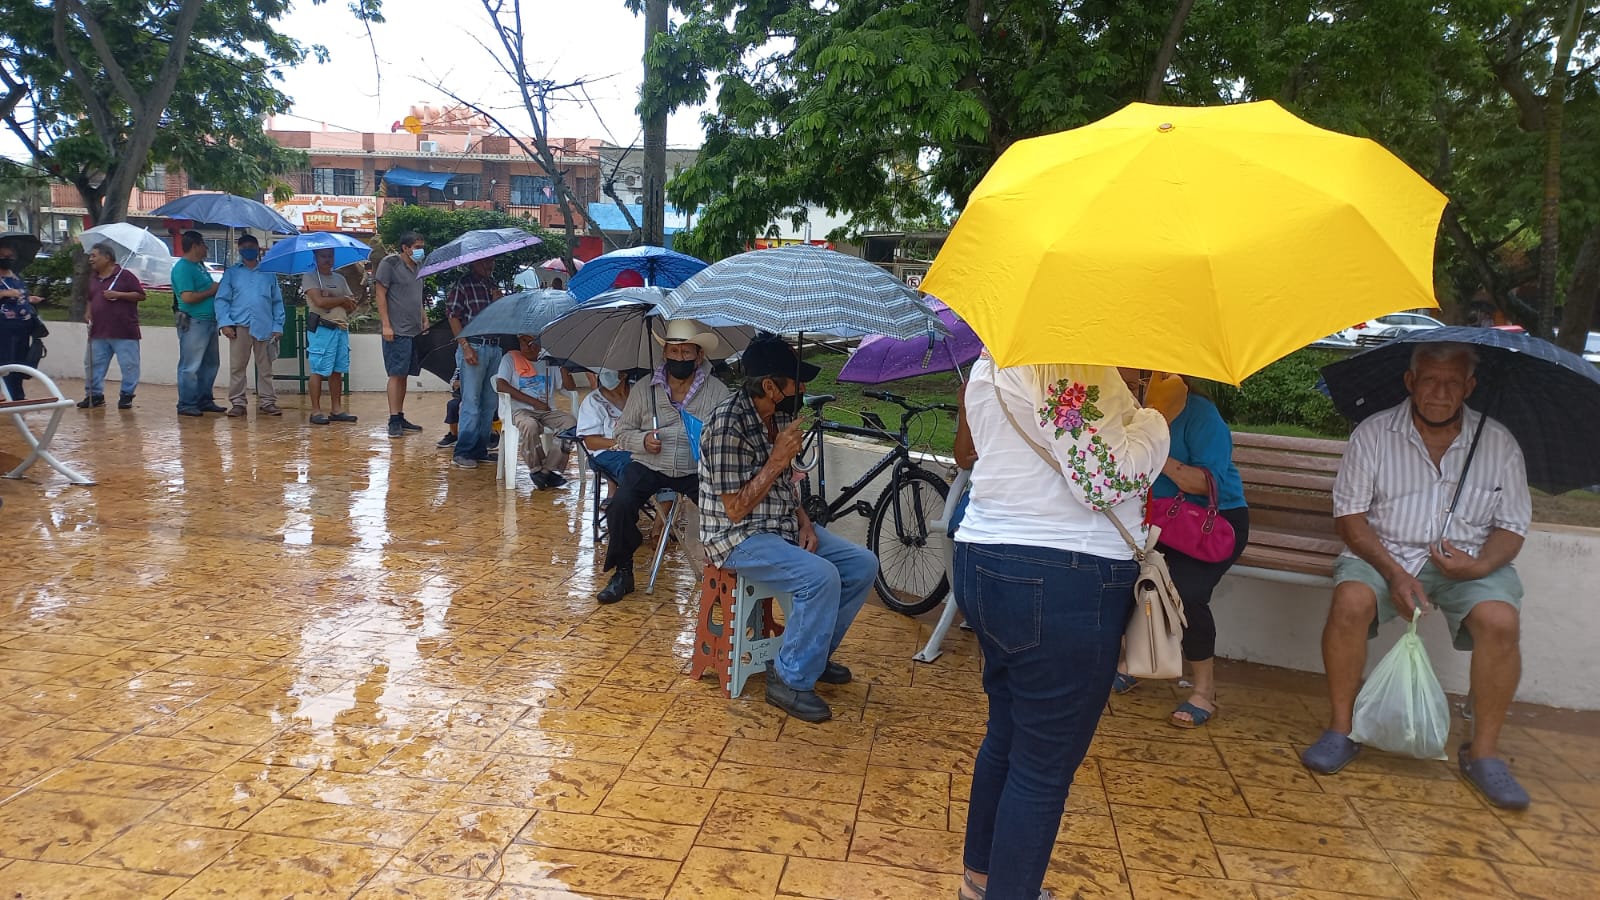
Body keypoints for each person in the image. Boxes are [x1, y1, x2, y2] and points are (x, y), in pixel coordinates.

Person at [954, 354, 1182, 900]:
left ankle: (981, 882)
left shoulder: (995, 358)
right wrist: (1158, 414)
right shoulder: (1069, 360)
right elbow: (1101, 479)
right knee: (1043, 766)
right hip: (1063, 577)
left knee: (1007, 736)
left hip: (986, 561)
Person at [1301, 342, 1533, 810]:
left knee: (1501, 622)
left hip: (1467, 563)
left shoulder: (1499, 442)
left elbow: (1512, 528)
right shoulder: (1373, 434)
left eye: (1452, 382)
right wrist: (1393, 572)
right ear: (1410, 382)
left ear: (1470, 387)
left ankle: (1484, 754)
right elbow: (1350, 518)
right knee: (1350, 602)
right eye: (1429, 379)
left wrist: (1480, 566)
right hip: (1382, 553)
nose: (1440, 392)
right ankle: (1341, 729)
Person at [699, 334, 879, 723]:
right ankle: (789, 678)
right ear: (770, 386)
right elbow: (734, 510)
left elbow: (784, 488)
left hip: (780, 525)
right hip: (736, 538)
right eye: (797, 382)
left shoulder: (777, 416)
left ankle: (811, 656)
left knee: (861, 564)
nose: (804, 389)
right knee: (821, 577)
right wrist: (777, 460)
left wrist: (804, 521)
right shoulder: (727, 426)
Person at [1109, 370, 1251, 728]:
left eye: (1136, 373)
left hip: (1208, 525)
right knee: (1116, 575)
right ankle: (1134, 664)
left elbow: (1203, 483)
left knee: (1185, 592)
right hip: (1154, 522)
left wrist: (1153, 445)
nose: (1125, 376)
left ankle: (1204, 689)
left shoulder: (1200, 413)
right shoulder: (1124, 409)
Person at [596, 319, 730, 604]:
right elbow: (621, 432)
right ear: (665, 353)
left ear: (699, 355)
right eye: (674, 352)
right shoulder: (646, 388)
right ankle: (623, 572)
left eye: (686, 352)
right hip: (650, 464)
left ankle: (723, 577)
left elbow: (729, 435)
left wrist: (709, 443)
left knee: (724, 508)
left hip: (696, 468)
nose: (679, 358)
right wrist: (643, 440)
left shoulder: (718, 391)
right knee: (620, 505)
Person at [214, 234, 284, 418]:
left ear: (258, 248)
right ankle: (238, 403)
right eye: (243, 246)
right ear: (239, 249)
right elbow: (221, 300)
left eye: (251, 246)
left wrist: (278, 325)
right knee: (237, 367)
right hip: (238, 327)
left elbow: (277, 301)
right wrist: (225, 323)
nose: (248, 249)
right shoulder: (232, 273)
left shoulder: (269, 273)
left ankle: (268, 402)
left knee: (265, 368)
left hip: (265, 326)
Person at [494, 332, 577, 481]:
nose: (526, 346)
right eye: (522, 342)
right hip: (518, 411)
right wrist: (534, 402)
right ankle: (536, 468)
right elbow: (501, 385)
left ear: (540, 343)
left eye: (530, 342)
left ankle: (547, 469)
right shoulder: (510, 358)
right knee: (530, 425)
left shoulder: (549, 360)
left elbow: (570, 388)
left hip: (546, 411)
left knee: (571, 423)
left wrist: (563, 364)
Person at [446, 257, 505, 469]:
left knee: (489, 402)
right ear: (474, 263)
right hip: (474, 345)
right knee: (471, 401)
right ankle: (463, 451)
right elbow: (453, 316)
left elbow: (501, 318)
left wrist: (499, 302)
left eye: (492, 263)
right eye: (485, 263)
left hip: (493, 346)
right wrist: (465, 345)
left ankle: (480, 449)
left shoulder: (492, 285)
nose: (489, 266)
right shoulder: (463, 285)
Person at [374, 231, 429, 438]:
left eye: (421, 246)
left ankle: (400, 414)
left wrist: (424, 317)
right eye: (416, 247)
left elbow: (417, 296)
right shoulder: (390, 264)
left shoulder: (419, 268)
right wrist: (386, 325)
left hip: (413, 330)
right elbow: (380, 294)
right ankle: (393, 418)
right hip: (396, 329)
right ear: (405, 248)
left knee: (404, 373)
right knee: (396, 373)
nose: (420, 251)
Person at [79, 243, 146, 410]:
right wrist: (88, 312)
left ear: (107, 257)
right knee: (92, 364)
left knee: (129, 365)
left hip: (124, 330)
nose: (91, 259)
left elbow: (141, 295)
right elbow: (90, 297)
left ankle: (126, 395)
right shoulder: (93, 277)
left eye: (94, 256)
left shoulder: (125, 276)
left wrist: (119, 294)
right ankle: (94, 395)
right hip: (98, 330)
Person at [302, 248, 359, 425]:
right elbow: (319, 302)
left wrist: (334, 296)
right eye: (323, 256)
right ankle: (316, 410)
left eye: (330, 256)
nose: (327, 259)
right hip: (322, 328)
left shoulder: (340, 279)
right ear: (316, 257)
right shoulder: (310, 277)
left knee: (337, 370)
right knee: (318, 369)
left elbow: (352, 304)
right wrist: (341, 299)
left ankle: (337, 409)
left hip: (341, 328)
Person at [170, 231, 224, 417]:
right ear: (194, 245)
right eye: (203, 244)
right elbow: (187, 297)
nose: (206, 248)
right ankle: (186, 403)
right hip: (194, 322)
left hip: (209, 321)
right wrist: (211, 291)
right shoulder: (183, 268)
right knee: (190, 365)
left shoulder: (199, 266)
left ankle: (204, 399)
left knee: (210, 364)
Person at [576, 367, 633, 483]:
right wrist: (622, 444)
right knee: (635, 467)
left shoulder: (639, 393)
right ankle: (625, 498)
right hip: (605, 453)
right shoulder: (593, 401)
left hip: (641, 448)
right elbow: (591, 442)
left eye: (609, 370)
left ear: (624, 374)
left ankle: (666, 500)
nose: (604, 375)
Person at [0, 250, 41, 400]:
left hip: (23, 326)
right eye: (4, 256)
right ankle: (6, 392)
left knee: (20, 360)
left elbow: (20, 294)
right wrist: (4, 294)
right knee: (6, 360)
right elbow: (9, 295)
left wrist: (29, 299)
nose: (8, 259)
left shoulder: (15, 275)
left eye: (11, 256)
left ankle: (17, 394)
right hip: (4, 326)